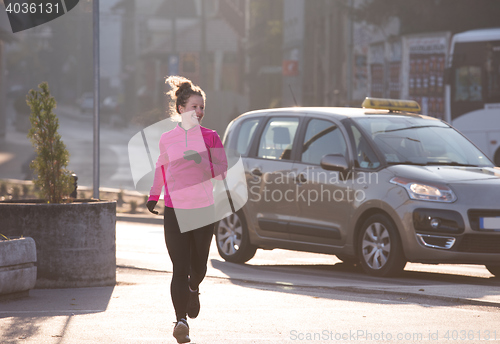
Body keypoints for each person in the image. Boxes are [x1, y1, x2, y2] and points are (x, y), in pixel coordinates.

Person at [146, 76, 227, 343]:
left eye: (202, 107)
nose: (199, 112)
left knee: (199, 267)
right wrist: (153, 196)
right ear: (181, 108)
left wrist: (200, 161)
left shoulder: (211, 137)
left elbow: (221, 173)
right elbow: (161, 167)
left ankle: (194, 289)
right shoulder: (168, 139)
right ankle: (180, 321)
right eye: (194, 106)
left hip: (203, 210)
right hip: (174, 210)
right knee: (179, 267)